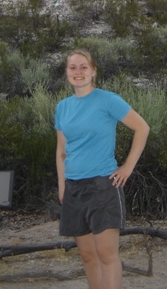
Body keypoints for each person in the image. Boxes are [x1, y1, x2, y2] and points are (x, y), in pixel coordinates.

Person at [55, 48, 150, 289]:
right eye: (73, 67)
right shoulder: (62, 107)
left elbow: (142, 128)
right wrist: (62, 185)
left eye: (83, 67)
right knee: (88, 256)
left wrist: (127, 167)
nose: (78, 72)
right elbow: (61, 151)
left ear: (93, 71)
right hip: (74, 189)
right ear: (66, 72)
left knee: (107, 255)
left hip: (102, 187)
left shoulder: (107, 100)